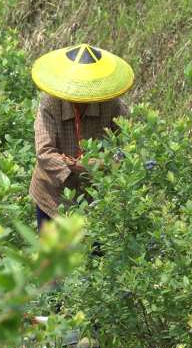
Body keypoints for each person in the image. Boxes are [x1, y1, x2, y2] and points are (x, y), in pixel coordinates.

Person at [29, 43, 134, 232]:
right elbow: (45, 153)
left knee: (95, 255)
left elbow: (125, 148)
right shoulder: (51, 103)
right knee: (53, 258)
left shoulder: (112, 105)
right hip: (53, 196)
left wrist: (109, 162)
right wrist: (80, 165)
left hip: (95, 198)